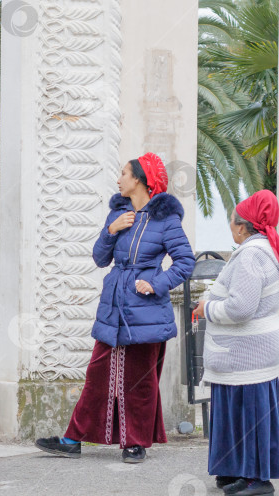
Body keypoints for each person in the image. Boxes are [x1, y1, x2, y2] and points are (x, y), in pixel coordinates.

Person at [35, 153, 195, 463]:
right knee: (97, 372)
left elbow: (185, 261)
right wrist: (112, 231)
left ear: (138, 179)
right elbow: (99, 258)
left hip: (146, 310)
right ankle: (72, 438)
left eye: (123, 173)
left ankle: (135, 443)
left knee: (140, 378)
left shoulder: (166, 219)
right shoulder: (118, 215)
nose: (118, 179)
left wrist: (157, 283)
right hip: (113, 307)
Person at [193, 189, 279, 496]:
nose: (230, 227)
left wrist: (206, 308)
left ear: (241, 226)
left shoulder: (251, 254)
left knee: (250, 414)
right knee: (237, 410)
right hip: (247, 351)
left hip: (250, 352)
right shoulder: (262, 249)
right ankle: (236, 469)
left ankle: (258, 480)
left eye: (232, 221)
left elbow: (240, 308)